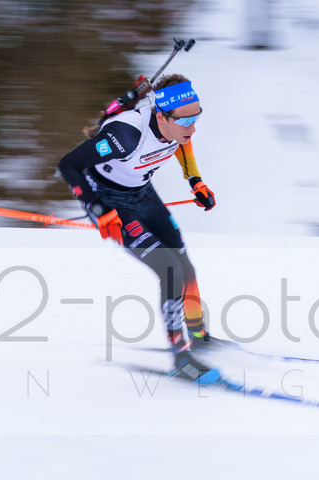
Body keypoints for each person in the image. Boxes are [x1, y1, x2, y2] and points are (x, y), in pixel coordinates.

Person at [57, 74, 220, 383]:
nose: (193, 128)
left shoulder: (176, 125)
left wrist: (195, 180)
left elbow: (183, 142)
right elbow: (68, 165)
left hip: (143, 194)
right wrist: (96, 208)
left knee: (185, 266)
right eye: (187, 120)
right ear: (161, 115)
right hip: (109, 202)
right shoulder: (124, 136)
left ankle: (197, 334)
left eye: (197, 118)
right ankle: (182, 358)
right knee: (169, 271)